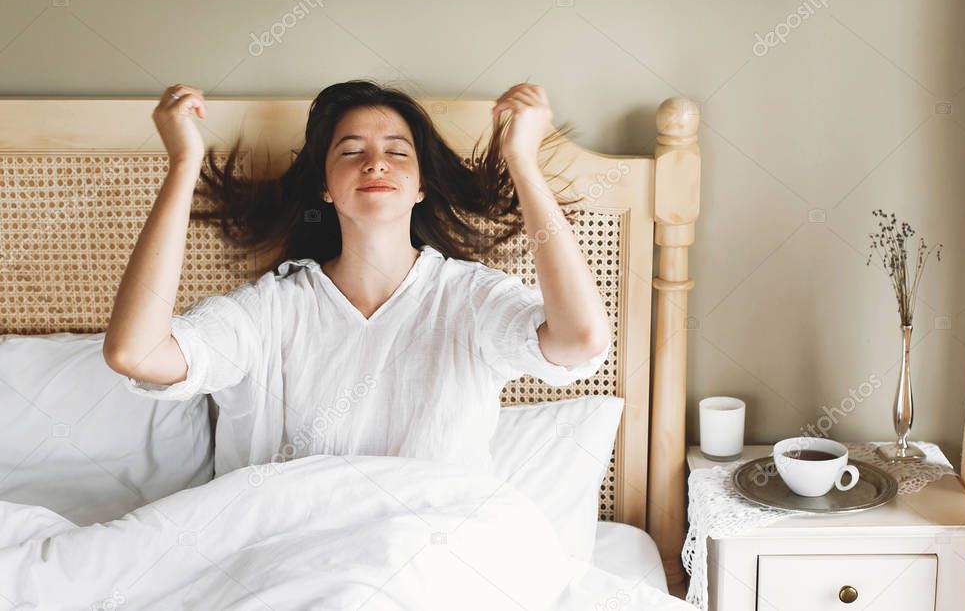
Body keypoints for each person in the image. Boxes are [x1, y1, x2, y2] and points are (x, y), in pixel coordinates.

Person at [102, 80, 611, 477]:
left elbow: (581, 339)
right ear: (325, 187)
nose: (375, 163)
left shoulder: (469, 298)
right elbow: (136, 353)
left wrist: (521, 159)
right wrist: (183, 164)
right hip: (292, 555)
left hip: (430, 556)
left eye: (397, 151)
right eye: (350, 151)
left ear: (419, 187)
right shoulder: (270, 310)